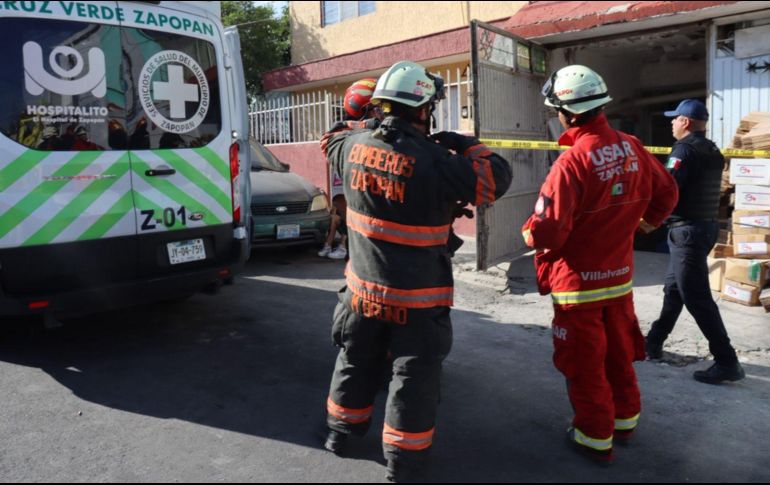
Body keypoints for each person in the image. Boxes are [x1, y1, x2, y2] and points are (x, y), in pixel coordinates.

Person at [320, 61, 512, 482]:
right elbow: (497, 177)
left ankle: (339, 434)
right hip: (418, 302)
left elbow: (333, 135)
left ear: (383, 105)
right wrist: (465, 144)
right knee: (413, 379)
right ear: (424, 109)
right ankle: (403, 464)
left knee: (355, 360)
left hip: (361, 295)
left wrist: (366, 119)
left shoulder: (350, 149)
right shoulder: (439, 162)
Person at [522, 65, 678, 465]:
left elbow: (549, 231)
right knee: (618, 356)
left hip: (578, 287)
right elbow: (667, 193)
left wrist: (530, 235)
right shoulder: (632, 145)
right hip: (619, 280)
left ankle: (594, 437)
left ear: (569, 113)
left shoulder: (571, 162)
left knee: (585, 363)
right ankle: (625, 422)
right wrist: (643, 225)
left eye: (556, 108)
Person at [645, 99, 745, 385]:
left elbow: (667, 189)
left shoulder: (684, 150)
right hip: (703, 228)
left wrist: (644, 218)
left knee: (697, 298)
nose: (672, 123)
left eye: (675, 119)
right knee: (674, 290)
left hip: (687, 231)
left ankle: (727, 361)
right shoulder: (712, 150)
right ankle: (653, 342)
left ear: (686, 122)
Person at [319, 78, 381, 260]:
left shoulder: (378, 135)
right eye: (377, 108)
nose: (382, 114)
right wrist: (368, 125)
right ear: (361, 109)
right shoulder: (346, 139)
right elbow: (335, 133)